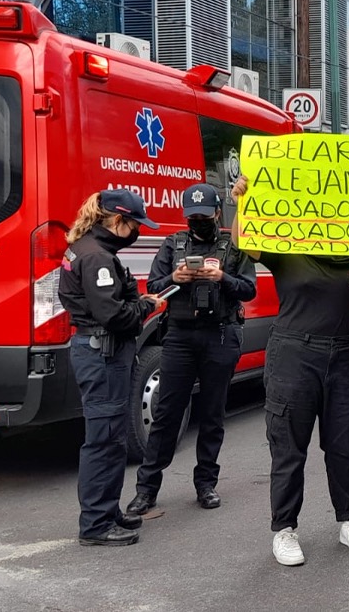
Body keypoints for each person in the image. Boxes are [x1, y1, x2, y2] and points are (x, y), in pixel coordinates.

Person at [229, 174, 349, 567]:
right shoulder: (288, 243)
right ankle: (284, 528)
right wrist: (244, 203)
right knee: (288, 447)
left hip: (347, 354)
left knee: (343, 444)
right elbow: (243, 242)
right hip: (294, 355)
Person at [127, 184, 257, 517]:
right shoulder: (174, 245)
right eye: (191, 217)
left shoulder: (233, 246)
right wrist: (176, 276)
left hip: (220, 335)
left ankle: (206, 485)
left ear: (217, 213)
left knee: (213, 415)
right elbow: (154, 286)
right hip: (180, 337)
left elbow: (248, 289)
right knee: (167, 414)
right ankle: (146, 490)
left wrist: (221, 277)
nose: (197, 222)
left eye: (202, 216)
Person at [58, 189, 165, 547]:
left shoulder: (90, 249)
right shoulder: (97, 258)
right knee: (103, 440)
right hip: (102, 353)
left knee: (113, 437)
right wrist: (145, 307)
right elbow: (114, 315)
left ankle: (107, 509)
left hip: (100, 351)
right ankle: (95, 523)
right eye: (135, 224)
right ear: (118, 221)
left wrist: (135, 301)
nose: (138, 231)